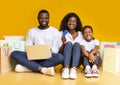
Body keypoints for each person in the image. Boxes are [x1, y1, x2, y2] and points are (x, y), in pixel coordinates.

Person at [11, 9, 64, 76]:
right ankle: (42, 69)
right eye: (41, 18)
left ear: (49, 19)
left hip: (47, 58)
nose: (43, 20)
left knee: (60, 57)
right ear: (38, 19)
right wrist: (36, 50)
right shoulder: (31, 31)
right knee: (14, 53)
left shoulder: (55, 31)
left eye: (46, 18)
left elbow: (56, 50)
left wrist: (47, 49)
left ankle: (30, 67)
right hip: (33, 57)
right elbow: (28, 47)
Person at [59, 12, 83, 79]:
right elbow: (59, 51)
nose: (71, 23)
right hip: (65, 61)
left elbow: (85, 47)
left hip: (77, 61)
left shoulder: (81, 34)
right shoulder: (62, 33)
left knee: (77, 44)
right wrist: (63, 43)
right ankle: (66, 69)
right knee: (68, 43)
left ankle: (73, 70)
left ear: (77, 23)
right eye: (69, 21)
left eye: (74, 21)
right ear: (66, 22)